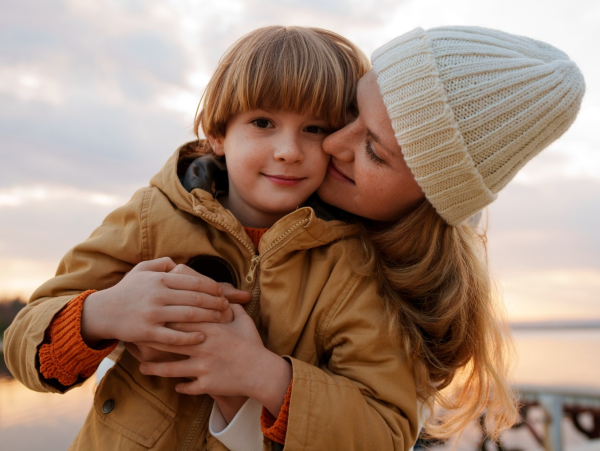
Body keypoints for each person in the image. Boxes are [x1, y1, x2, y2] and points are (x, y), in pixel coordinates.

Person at [132, 25, 586, 448]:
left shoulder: (398, 303)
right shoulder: (203, 202)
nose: (331, 144)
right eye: (346, 115)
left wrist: (262, 377)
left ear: (428, 201)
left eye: (372, 148)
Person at [5, 26, 423, 450]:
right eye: (263, 122)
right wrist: (103, 312)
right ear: (218, 134)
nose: (289, 150)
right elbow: (22, 341)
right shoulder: (153, 216)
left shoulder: (351, 264)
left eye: (315, 128)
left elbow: (385, 433)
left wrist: (262, 374)